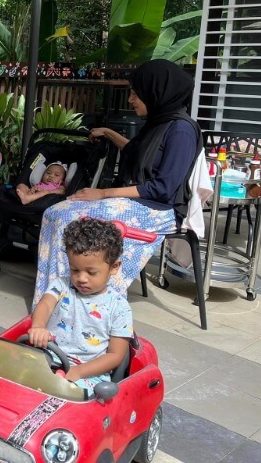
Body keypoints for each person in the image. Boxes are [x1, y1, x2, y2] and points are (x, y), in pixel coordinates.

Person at [32, 59, 202, 306]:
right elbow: (135, 150)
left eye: (135, 94)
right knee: (54, 213)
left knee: (73, 220)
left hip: (159, 210)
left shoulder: (181, 131)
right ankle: (48, 299)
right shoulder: (158, 122)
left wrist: (103, 193)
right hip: (137, 200)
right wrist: (109, 133)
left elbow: (163, 188)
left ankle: (74, 304)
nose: (130, 100)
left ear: (156, 92)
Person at [28, 218, 132, 390]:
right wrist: (38, 326)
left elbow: (115, 355)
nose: (81, 278)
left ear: (114, 267)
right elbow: (45, 305)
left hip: (89, 373)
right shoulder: (61, 286)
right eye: (75, 269)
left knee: (71, 400)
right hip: (48, 356)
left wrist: (79, 371)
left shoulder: (119, 308)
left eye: (91, 272)